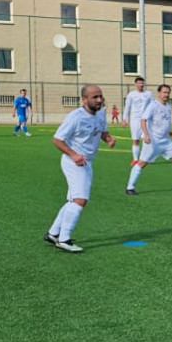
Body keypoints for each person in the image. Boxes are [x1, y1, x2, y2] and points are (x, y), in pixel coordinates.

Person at [45, 84, 116, 253]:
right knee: (80, 200)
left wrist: (109, 139)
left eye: (100, 96)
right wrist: (74, 155)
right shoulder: (75, 117)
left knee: (73, 200)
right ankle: (64, 239)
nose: (99, 100)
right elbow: (57, 139)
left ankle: (53, 233)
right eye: (95, 97)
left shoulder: (100, 113)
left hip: (87, 162)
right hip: (73, 162)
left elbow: (102, 131)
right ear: (84, 100)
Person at [125, 84, 172, 194]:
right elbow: (143, 120)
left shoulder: (168, 106)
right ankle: (130, 187)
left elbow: (164, 121)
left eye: (168, 92)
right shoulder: (153, 105)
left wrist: (170, 131)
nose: (166, 94)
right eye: (164, 92)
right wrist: (146, 135)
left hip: (166, 140)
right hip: (153, 141)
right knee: (142, 163)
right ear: (159, 93)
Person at [121, 77, 155, 165]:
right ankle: (135, 159)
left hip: (146, 120)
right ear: (135, 84)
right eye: (139, 83)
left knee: (146, 139)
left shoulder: (148, 94)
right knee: (135, 140)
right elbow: (127, 107)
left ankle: (144, 158)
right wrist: (125, 119)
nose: (141, 85)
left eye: (142, 83)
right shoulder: (131, 94)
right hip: (135, 120)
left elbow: (152, 106)